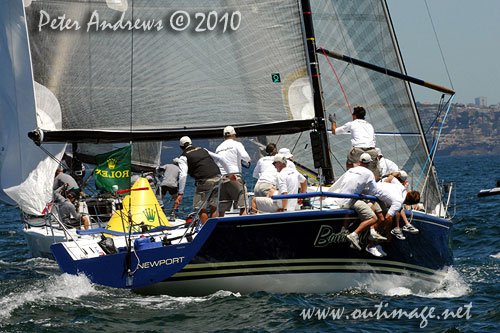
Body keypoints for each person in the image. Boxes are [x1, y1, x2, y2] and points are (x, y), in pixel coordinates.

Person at [334, 153, 385, 251]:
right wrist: (364, 192)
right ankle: (354, 234)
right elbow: (373, 191)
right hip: (351, 200)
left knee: (370, 205)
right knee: (373, 218)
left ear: (359, 162)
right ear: (369, 163)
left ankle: (370, 231)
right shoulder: (369, 173)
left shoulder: (351, 170)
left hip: (340, 199)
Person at [175, 136, 231, 224]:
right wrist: (230, 174)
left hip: (203, 181)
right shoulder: (203, 149)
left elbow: (183, 175)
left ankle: (206, 231)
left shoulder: (183, 157)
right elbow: (221, 158)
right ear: (191, 143)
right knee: (214, 207)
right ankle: (214, 230)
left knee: (201, 208)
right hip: (217, 178)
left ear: (181, 147)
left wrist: (180, 193)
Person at [329, 106, 379, 176]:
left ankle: (350, 177)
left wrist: (333, 121)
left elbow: (335, 131)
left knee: (349, 163)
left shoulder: (352, 123)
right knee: (372, 169)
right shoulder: (370, 125)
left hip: (357, 150)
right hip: (372, 151)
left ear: (354, 115)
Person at [215, 126, 252, 215]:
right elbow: (245, 157)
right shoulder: (237, 144)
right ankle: (242, 225)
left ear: (224, 136)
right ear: (234, 135)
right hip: (234, 177)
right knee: (243, 205)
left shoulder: (218, 148)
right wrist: (249, 160)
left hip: (222, 179)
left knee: (221, 209)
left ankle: (221, 226)